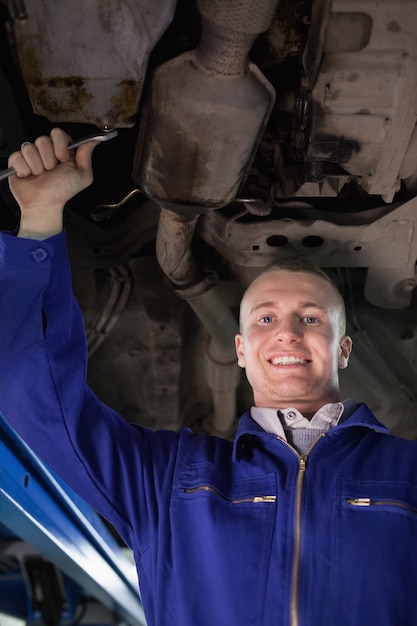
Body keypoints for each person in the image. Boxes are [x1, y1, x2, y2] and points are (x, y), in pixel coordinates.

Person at [1, 129, 417, 626]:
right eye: (265, 318)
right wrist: (41, 219)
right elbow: (33, 394)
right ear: (240, 350)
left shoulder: (409, 473)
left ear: (343, 349)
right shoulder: (166, 480)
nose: (286, 333)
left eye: (311, 318)